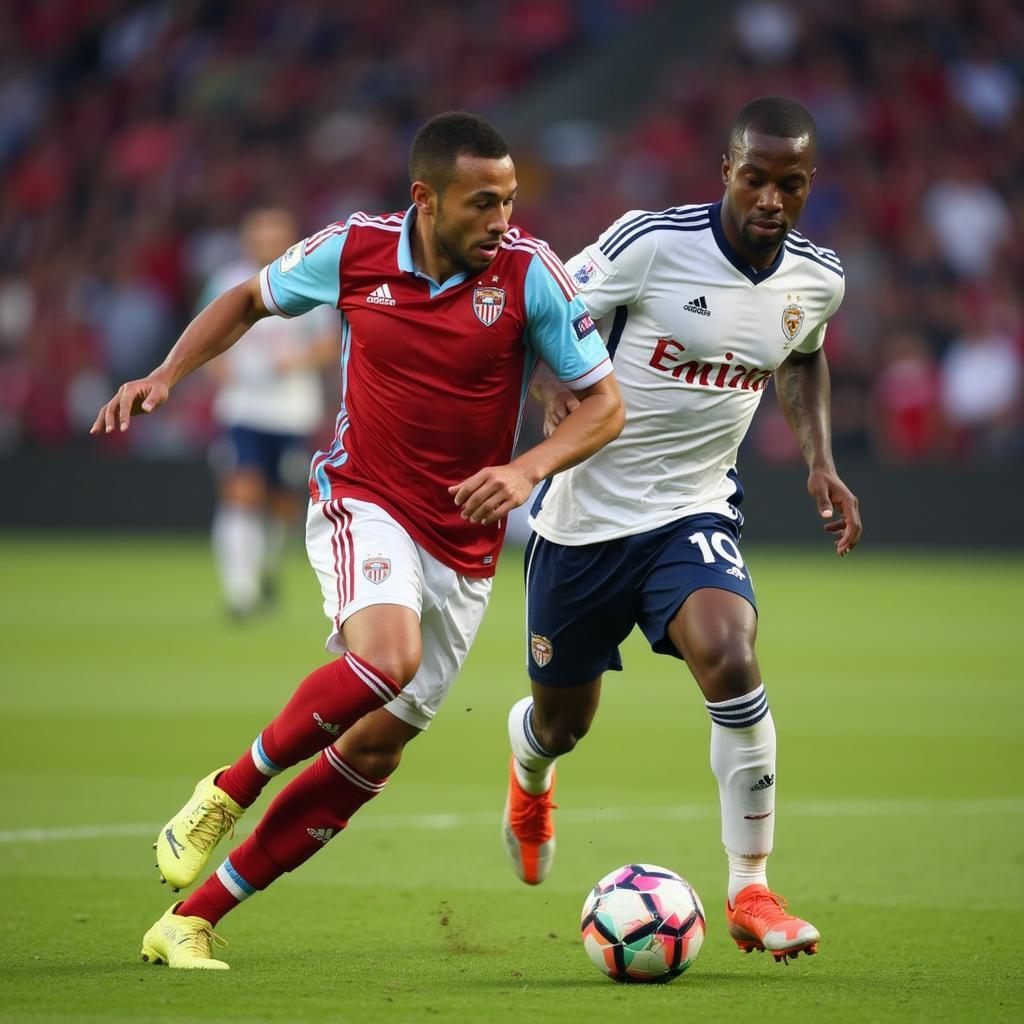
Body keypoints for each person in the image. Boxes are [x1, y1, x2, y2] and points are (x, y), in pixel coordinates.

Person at [91, 111, 624, 970]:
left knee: (374, 746)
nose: (502, 219)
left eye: (511, 199)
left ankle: (191, 918)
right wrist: (164, 375)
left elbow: (605, 403)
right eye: (482, 202)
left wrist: (528, 469)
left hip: (466, 544)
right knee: (387, 656)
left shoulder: (531, 276)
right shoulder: (354, 250)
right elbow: (245, 301)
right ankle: (228, 789)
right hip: (362, 497)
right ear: (426, 198)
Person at [501, 97, 862, 964]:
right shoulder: (651, 243)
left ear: (810, 185)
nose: (772, 199)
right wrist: (551, 380)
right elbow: (536, 303)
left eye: (791, 184)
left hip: (693, 510)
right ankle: (530, 773)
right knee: (562, 723)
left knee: (731, 654)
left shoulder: (818, 276)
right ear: (727, 173)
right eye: (756, 179)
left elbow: (804, 352)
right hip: (583, 516)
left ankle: (751, 888)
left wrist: (818, 459)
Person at [202, 207, 338, 618]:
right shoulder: (227, 282)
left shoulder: (308, 281)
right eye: (258, 231)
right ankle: (239, 593)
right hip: (243, 408)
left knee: (281, 502)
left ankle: (267, 569)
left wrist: (294, 363)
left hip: (294, 412)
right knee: (242, 491)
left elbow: (329, 344)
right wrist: (219, 369)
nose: (265, 239)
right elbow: (207, 335)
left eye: (273, 232)